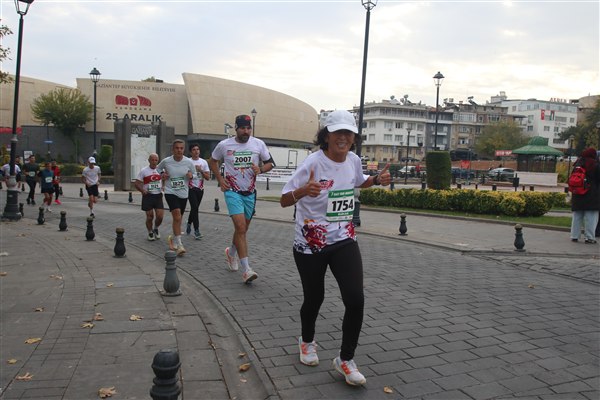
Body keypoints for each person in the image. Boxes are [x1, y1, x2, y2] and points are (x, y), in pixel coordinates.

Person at [279, 109, 391, 386]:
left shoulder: (353, 160)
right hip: (310, 242)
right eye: (337, 132)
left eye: (348, 133)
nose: (343, 137)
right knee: (314, 298)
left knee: (355, 299)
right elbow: (283, 200)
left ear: (354, 137)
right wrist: (303, 191)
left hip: (343, 238)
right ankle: (307, 341)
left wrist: (376, 180)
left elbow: (359, 181)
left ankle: (345, 359)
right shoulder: (312, 162)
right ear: (326, 136)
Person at [208, 114, 274, 283]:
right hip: (232, 191)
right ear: (236, 128)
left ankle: (231, 253)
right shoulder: (224, 145)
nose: (246, 131)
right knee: (240, 227)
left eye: (248, 128)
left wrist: (260, 169)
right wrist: (220, 179)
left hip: (250, 192)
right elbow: (212, 161)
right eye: (243, 128)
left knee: (242, 230)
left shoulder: (258, 144)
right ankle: (247, 270)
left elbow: (270, 163)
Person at [156, 139, 195, 256]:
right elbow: (157, 169)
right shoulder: (166, 161)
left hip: (183, 193)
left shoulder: (188, 162)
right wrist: (162, 175)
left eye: (181, 148)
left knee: (178, 218)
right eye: (177, 148)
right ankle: (179, 244)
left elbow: (195, 174)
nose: (179, 150)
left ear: (184, 149)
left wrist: (191, 175)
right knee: (177, 215)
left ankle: (172, 238)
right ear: (172, 149)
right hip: (170, 191)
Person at [570, 147, 600, 244]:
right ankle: (589, 237)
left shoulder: (577, 164)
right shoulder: (595, 165)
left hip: (577, 193)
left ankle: (574, 236)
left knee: (577, 216)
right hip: (592, 195)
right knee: (591, 217)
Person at [134, 153, 165, 241]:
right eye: (152, 160)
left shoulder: (161, 170)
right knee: (150, 216)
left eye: (156, 160)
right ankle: (150, 232)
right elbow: (137, 183)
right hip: (148, 196)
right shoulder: (144, 171)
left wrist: (163, 186)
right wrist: (142, 190)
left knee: (160, 216)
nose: (154, 162)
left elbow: (164, 179)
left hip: (158, 195)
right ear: (149, 161)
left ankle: (156, 228)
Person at [185, 143, 211, 240]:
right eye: (194, 150)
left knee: (194, 209)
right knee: (195, 208)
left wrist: (201, 171)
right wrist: (189, 173)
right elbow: (184, 174)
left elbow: (208, 177)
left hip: (200, 189)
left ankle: (189, 223)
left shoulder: (203, 162)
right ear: (190, 152)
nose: (196, 151)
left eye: (197, 149)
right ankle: (197, 230)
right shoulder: (187, 161)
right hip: (190, 188)